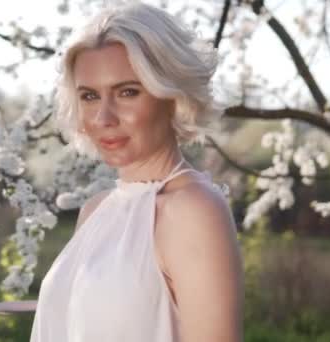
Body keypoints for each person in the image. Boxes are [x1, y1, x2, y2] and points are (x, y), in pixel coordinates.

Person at [30, 2, 243, 341]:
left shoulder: (193, 210)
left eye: (127, 92)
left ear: (172, 96)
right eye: (89, 96)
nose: (103, 118)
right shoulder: (96, 210)